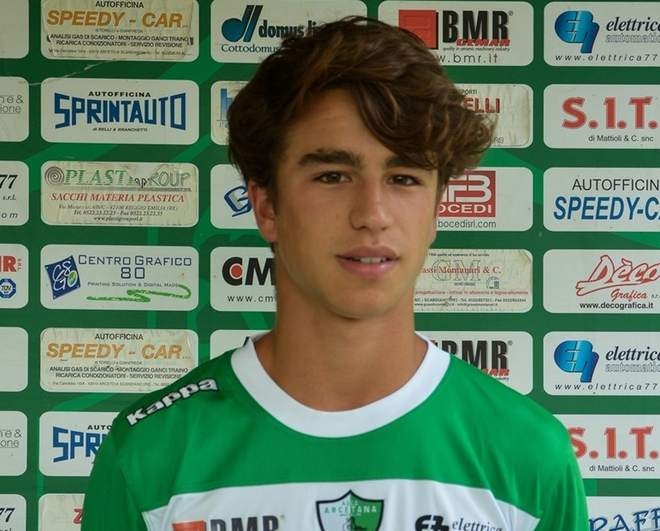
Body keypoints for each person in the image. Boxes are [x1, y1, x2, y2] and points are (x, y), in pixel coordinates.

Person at [83, 17, 588, 531]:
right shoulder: (152, 452)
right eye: (332, 176)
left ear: (437, 211)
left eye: (403, 178)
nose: (372, 213)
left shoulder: (527, 453)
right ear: (266, 206)